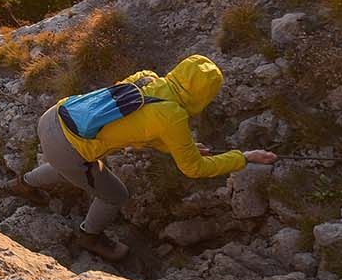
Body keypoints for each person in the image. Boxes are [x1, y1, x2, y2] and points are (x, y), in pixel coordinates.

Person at [23, 55, 276, 262]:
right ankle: (89, 237)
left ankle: (23, 184)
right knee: (115, 195)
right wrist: (242, 158)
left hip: (54, 115)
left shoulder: (146, 78)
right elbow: (193, 168)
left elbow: (136, 123)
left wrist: (176, 146)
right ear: (204, 95)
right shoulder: (173, 116)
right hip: (69, 147)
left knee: (71, 166)